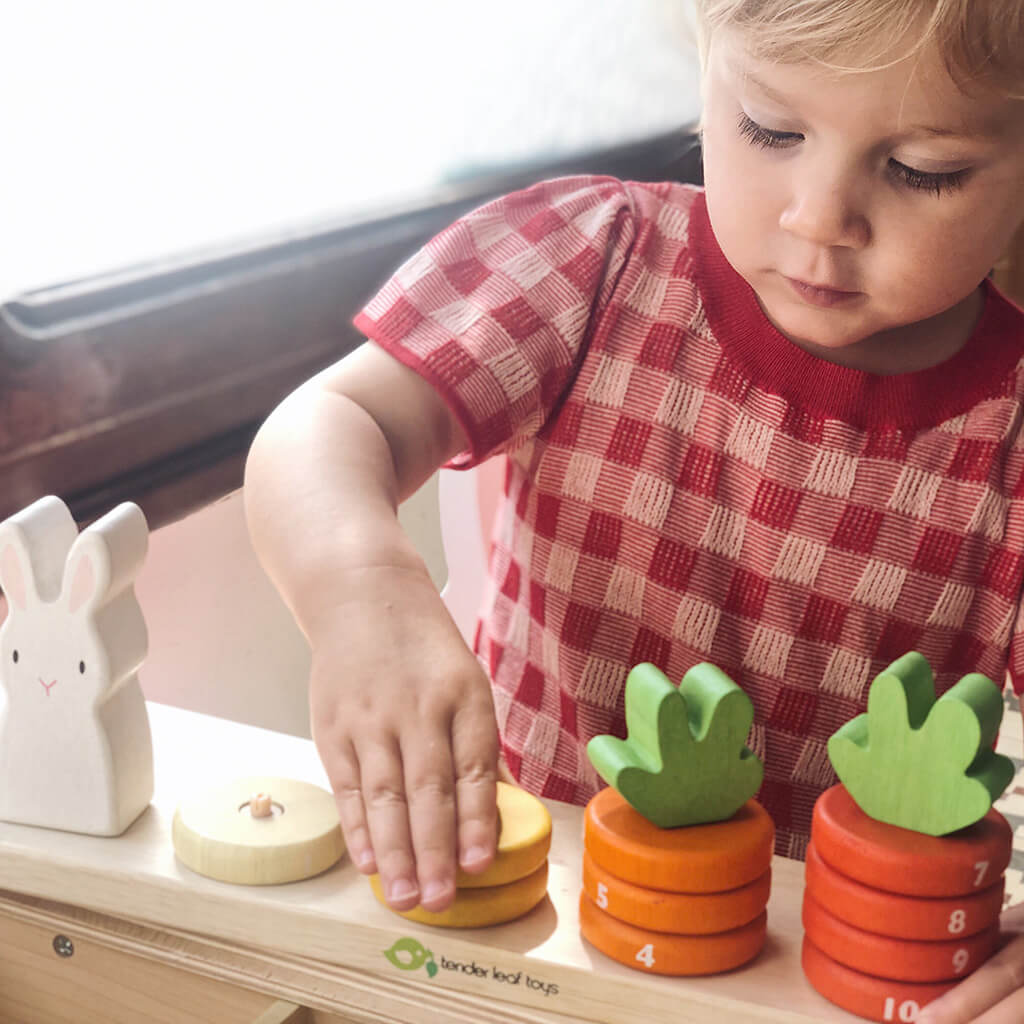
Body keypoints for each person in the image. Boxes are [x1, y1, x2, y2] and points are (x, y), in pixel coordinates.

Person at [244, 1, 1024, 1018]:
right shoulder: (592, 258)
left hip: (807, 987)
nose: (818, 217)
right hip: (514, 927)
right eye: (771, 130)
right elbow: (330, 423)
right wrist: (361, 594)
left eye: (922, 168)